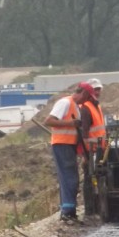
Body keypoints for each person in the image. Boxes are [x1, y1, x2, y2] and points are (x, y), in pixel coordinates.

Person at [44, 82, 95, 223]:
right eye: (87, 97)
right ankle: (67, 212)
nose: (87, 101)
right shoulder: (65, 103)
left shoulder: (76, 107)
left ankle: (69, 212)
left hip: (69, 145)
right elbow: (48, 121)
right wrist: (70, 124)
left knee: (71, 178)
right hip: (62, 144)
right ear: (84, 93)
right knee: (69, 178)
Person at [79, 78, 106, 217]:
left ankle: (97, 208)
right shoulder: (86, 108)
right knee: (90, 180)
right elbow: (84, 133)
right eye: (95, 89)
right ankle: (90, 211)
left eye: (99, 89)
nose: (97, 92)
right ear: (89, 91)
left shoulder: (97, 106)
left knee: (98, 179)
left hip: (100, 150)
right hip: (91, 150)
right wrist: (85, 154)